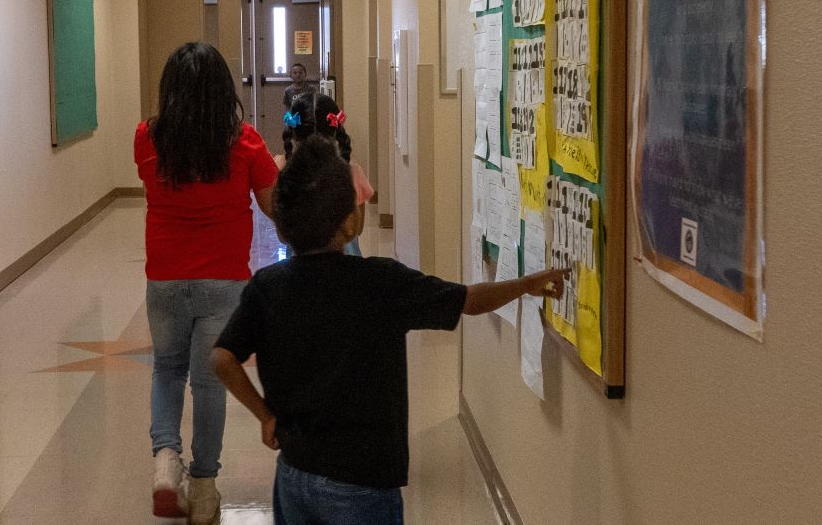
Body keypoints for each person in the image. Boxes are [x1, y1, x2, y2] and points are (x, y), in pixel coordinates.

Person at [211, 136, 566, 524]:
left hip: (293, 476)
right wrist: (527, 283)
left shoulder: (268, 286)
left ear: (283, 228)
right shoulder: (381, 282)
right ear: (349, 220)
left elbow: (223, 357)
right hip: (362, 484)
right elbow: (468, 300)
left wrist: (264, 415)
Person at [135, 42, 280, 525]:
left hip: (165, 276)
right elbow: (274, 208)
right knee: (209, 382)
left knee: (167, 370)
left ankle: (164, 461)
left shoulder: (146, 138)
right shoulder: (245, 143)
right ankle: (203, 488)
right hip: (224, 278)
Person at [276, 91, 375, 255]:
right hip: (346, 269)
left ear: (293, 132)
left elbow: (283, 237)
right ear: (336, 130)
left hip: (298, 272)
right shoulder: (352, 173)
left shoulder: (283, 171)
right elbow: (356, 230)